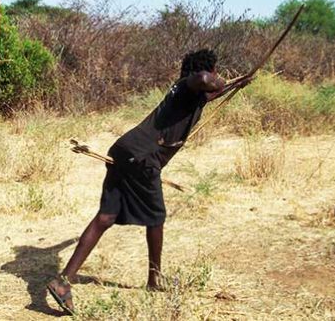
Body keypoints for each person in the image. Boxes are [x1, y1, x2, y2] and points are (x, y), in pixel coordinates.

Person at [46, 49, 253, 314]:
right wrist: (222, 79)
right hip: (143, 159)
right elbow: (203, 79)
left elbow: (208, 93)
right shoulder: (190, 83)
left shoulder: (187, 94)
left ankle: (63, 282)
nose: (214, 76)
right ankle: (154, 280)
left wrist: (238, 83)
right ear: (208, 70)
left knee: (105, 218)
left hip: (125, 150)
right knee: (156, 217)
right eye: (214, 70)